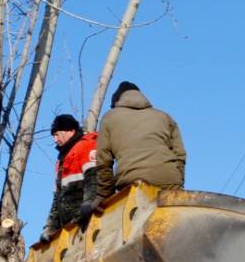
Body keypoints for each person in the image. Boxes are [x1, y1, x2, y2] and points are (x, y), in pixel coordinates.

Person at [86, 81, 186, 216]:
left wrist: (104, 194)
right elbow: (180, 154)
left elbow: (104, 161)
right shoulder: (164, 117)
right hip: (169, 180)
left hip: (132, 182)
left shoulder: (109, 117)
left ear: (116, 101)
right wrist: (177, 182)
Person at [39, 113, 99, 242]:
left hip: (87, 221)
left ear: (70, 131)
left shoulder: (86, 146)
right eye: (53, 136)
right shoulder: (61, 161)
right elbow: (57, 199)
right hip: (69, 227)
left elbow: (94, 180)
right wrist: (50, 227)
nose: (55, 140)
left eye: (57, 134)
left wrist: (89, 207)